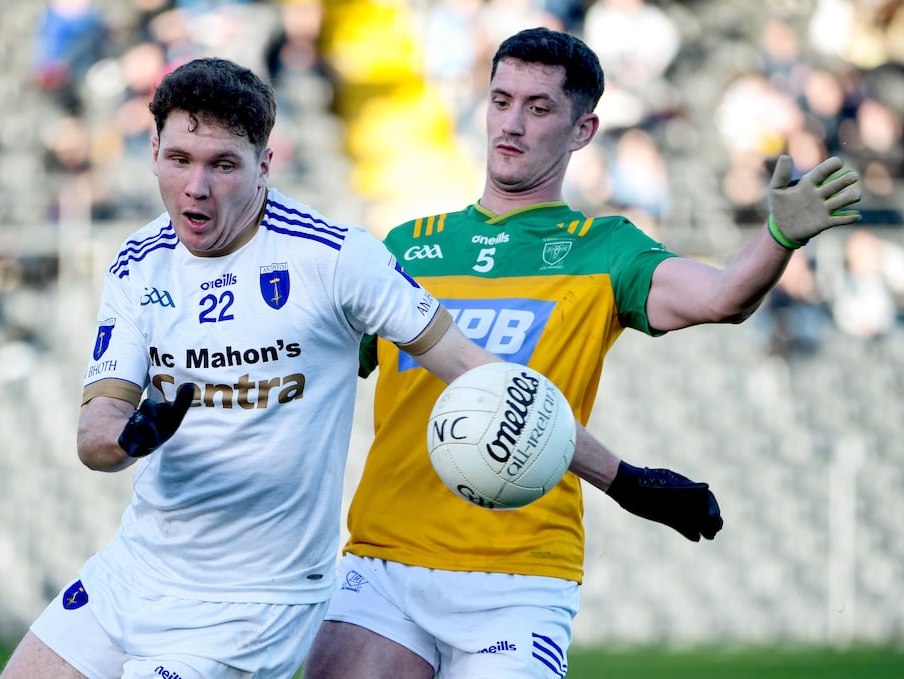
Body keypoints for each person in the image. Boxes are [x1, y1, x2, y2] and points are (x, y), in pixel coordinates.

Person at [303, 27, 861, 679]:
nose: (511, 124)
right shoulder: (407, 244)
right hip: (384, 563)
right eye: (501, 100)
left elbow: (723, 297)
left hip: (520, 577)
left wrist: (776, 238)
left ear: (582, 130)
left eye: (538, 108)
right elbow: (318, 371)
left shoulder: (605, 249)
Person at [0, 56, 506, 679]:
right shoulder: (137, 262)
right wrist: (131, 435)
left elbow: (476, 370)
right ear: (153, 149)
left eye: (223, 165)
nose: (197, 187)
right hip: (134, 569)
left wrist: (616, 476)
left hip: (257, 602)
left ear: (265, 164)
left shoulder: (334, 256)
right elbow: (95, 435)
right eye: (180, 159)